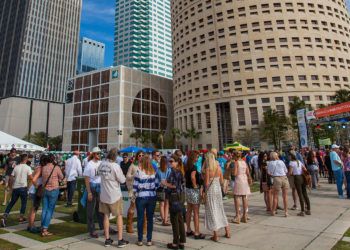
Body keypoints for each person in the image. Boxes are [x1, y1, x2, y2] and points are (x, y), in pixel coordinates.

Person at [98, 148, 129, 248]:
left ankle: (107, 239)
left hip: (104, 194)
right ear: (115, 156)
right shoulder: (115, 166)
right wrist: (124, 176)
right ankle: (120, 240)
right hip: (114, 194)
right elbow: (122, 180)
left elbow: (99, 173)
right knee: (119, 216)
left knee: (106, 216)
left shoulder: (102, 164)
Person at [203, 152, 230, 242]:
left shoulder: (208, 170)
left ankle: (216, 235)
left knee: (213, 211)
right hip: (218, 190)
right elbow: (222, 181)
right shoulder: (218, 168)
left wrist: (203, 177)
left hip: (211, 191)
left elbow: (206, 183)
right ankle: (227, 231)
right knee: (220, 209)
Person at [1, 154, 33, 227]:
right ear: (26, 159)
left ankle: (4, 216)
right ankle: (21, 217)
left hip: (16, 187)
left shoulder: (16, 167)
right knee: (23, 203)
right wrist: (29, 188)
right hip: (23, 187)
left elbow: (11, 178)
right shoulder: (28, 168)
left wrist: (11, 187)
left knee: (12, 202)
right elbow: (31, 178)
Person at [133, 156, 159, 246]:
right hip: (151, 197)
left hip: (141, 197)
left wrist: (134, 194)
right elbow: (156, 185)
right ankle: (149, 240)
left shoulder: (139, 172)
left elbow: (135, 186)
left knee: (140, 218)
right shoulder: (153, 173)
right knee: (150, 219)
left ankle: (140, 240)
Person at [162, 155, 186, 249]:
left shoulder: (175, 172)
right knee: (179, 218)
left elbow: (174, 186)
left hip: (175, 196)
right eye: (169, 161)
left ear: (176, 162)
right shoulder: (178, 171)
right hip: (180, 195)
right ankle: (181, 241)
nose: (170, 163)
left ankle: (176, 242)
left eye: (171, 161)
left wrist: (165, 183)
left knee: (175, 219)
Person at [40, 154, 64, 236]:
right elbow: (61, 176)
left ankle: (42, 226)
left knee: (44, 209)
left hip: (45, 189)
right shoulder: (56, 168)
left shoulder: (43, 168)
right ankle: (45, 229)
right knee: (50, 210)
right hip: (53, 189)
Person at [84, 147, 105, 237]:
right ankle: (91, 229)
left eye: (100, 153)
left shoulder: (101, 163)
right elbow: (86, 179)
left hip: (100, 186)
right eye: (97, 153)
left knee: (101, 209)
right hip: (92, 187)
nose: (99, 155)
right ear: (93, 154)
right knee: (91, 210)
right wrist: (89, 192)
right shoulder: (89, 164)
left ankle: (103, 227)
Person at [184, 151, 205, 239]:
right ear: (193, 158)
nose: (198, 158)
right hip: (193, 190)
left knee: (189, 210)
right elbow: (193, 177)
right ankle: (197, 231)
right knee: (196, 211)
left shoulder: (186, 166)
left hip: (188, 189)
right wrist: (195, 185)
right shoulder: (194, 167)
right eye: (197, 157)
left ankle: (188, 229)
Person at [126, 151, 145, 234]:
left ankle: (144, 226)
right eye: (139, 155)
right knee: (133, 206)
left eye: (142, 155)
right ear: (137, 156)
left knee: (144, 208)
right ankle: (128, 225)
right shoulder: (133, 165)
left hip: (144, 190)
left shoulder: (146, 165)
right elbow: (127, 176)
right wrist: (134, 175)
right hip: (134, 190)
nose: (141, 157)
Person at [288, 151, 311, 216]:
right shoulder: (299, 161)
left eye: (289, 156)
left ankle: (302, 211)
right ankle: (308, 209)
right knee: (305, 193)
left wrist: (286, 175)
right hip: (302, 177)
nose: (288, 157)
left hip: (297, 177)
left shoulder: (291, 162)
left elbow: (291, 172)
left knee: (300, 194)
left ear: (291, 156)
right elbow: (305, 169)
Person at [27, 155, 45, 233]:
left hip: (32, 190)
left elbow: (32, 177)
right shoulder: (40, 169)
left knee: (32, 209)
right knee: (34, 209)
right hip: (35, 191)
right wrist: (37, 186)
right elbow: (34, 179)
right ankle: (32, 226)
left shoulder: (37, 167)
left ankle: (30, 225)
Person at [231, 151, 251, 224]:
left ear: (235, 156)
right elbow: (248, 172)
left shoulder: (236, 163)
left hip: (239, 179)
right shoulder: (244, 162)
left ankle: (237, 215)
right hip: (244, 179)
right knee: (244, 197)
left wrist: (232, 170)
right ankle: (245, 215)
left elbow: (235, 173)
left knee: (236, 197)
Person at [268, 152, 289, 217]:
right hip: (284, 177)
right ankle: (286, 212)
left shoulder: (270, 163)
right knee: (285, 196)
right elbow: (286, 170)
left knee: (275, 196)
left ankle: (273, 211)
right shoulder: (281, 162)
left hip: (276, 178)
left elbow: (269, 172)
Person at [156, 156, 171, 226]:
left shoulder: (158, 170)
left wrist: (160, 184)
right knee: (166, 204)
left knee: (162, 204)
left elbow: (155, 180)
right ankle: (165, 219)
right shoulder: (168, 170)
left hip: (161, 187)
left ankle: (163, 219)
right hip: (166, 187)